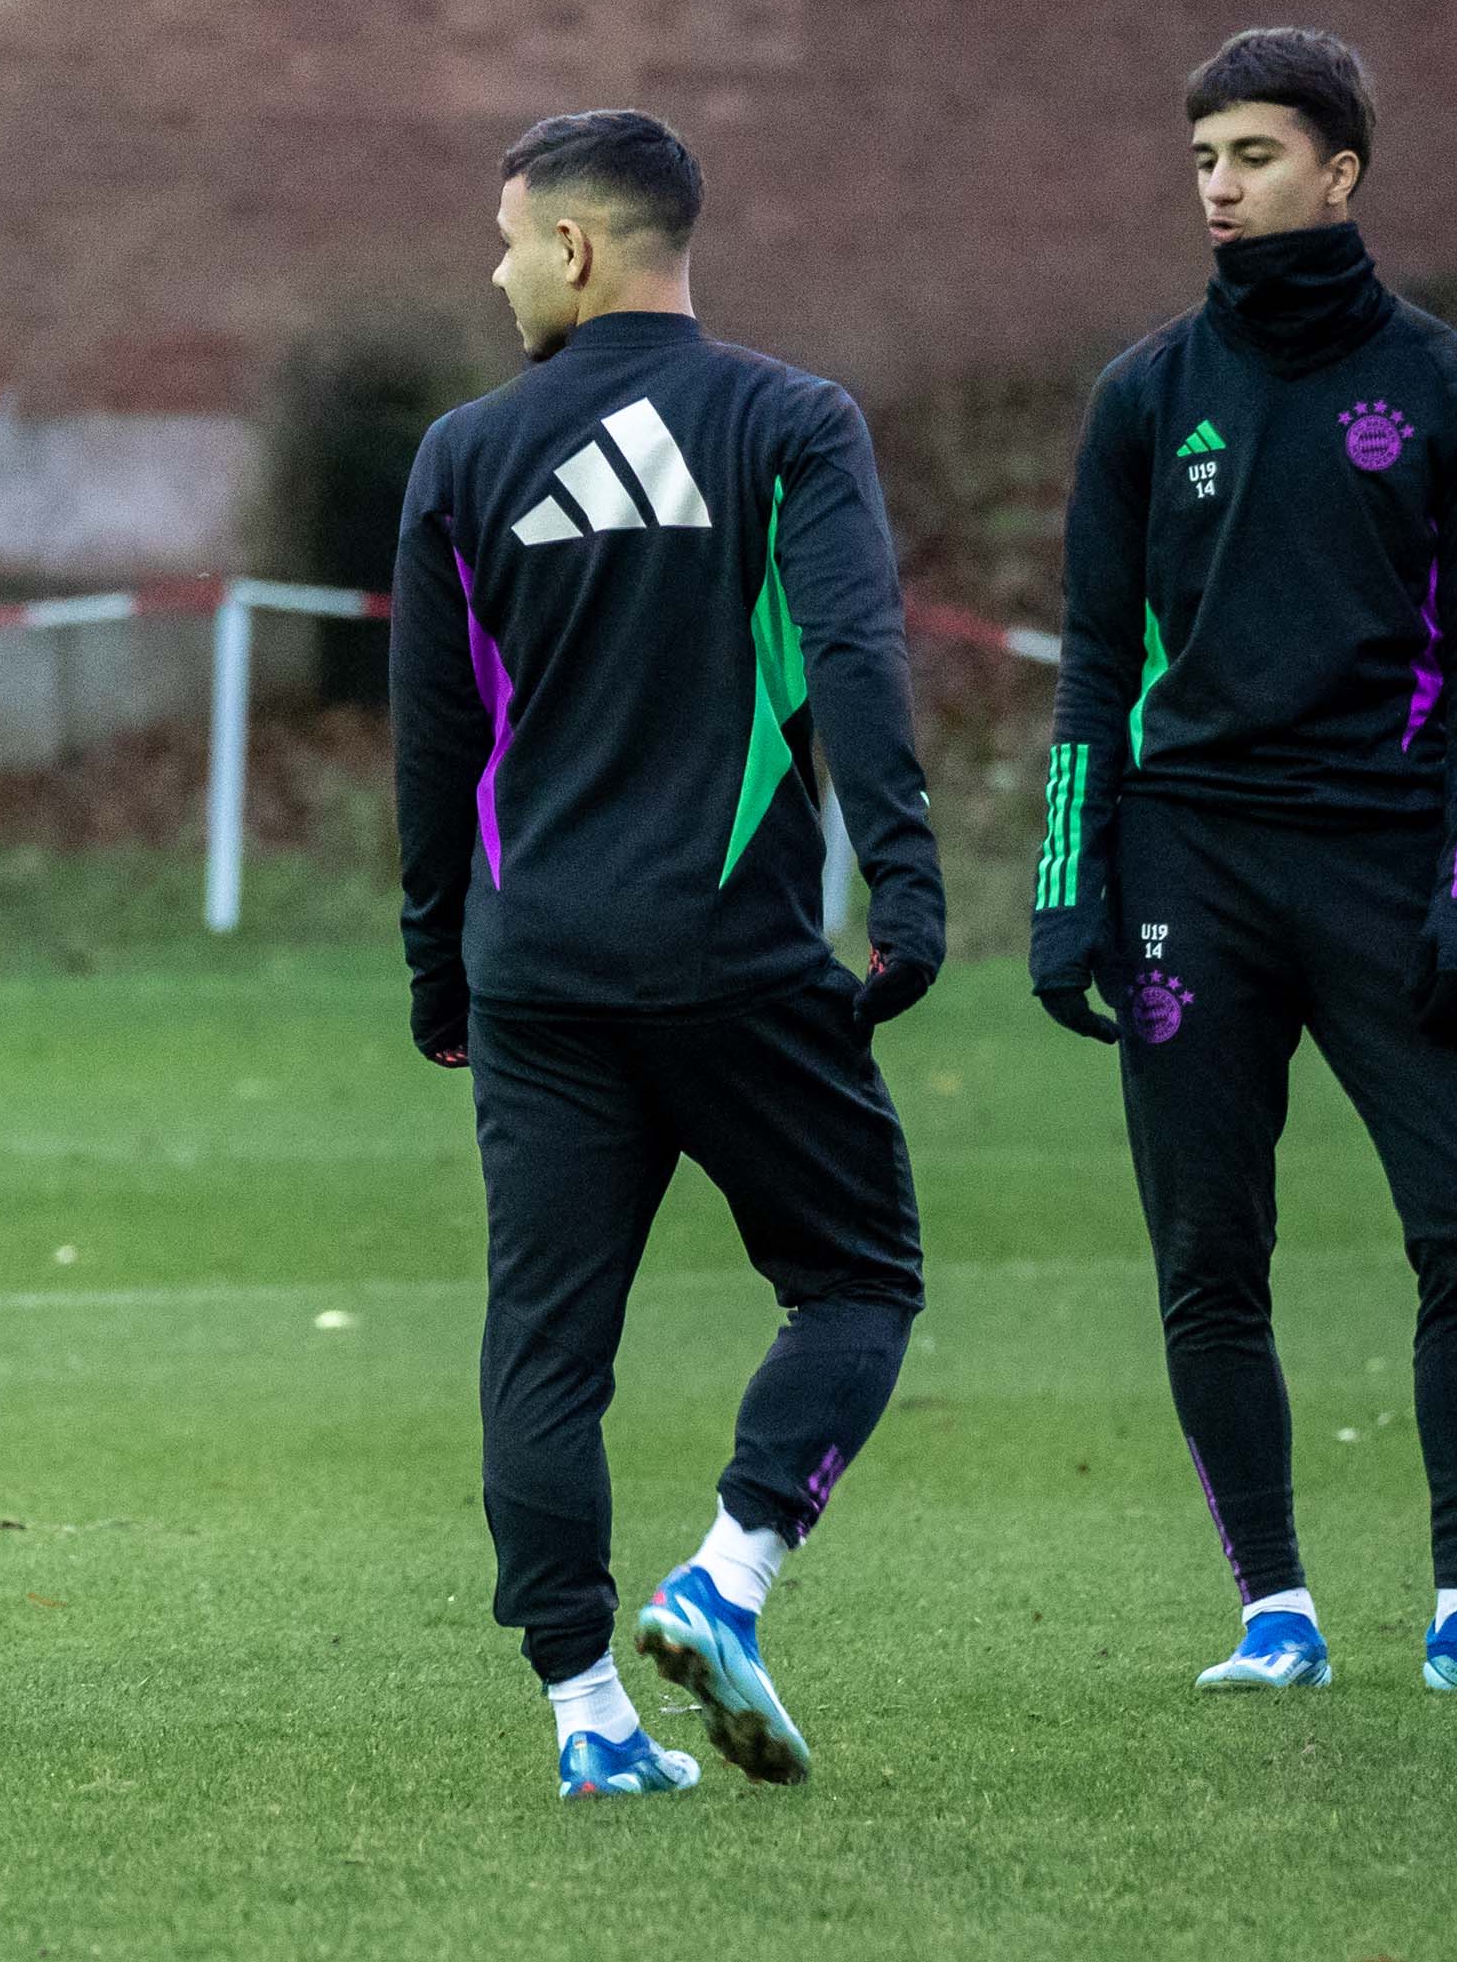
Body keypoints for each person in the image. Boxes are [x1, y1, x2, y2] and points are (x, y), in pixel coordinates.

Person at [392, 110, 945, 1797]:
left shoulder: (463, 457)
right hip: (734, 956)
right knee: (859, 1275)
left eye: (505, 240)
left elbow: (434, 747)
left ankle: (586, 1719)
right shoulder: (791, 422)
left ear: (574, 247)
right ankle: (728, 1571)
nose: (493, 273)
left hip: (536, 974)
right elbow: (853, 652)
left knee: (545, 1345)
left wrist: (439, 970)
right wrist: (907, 885)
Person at [1029, 29, 1457, 1695]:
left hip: (1388, 861)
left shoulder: (1442, 391)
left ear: (1339, 175)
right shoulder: (1144, 397)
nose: (1219, 184)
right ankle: (1274, 1609)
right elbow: (1088, 662)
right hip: (1188, 869)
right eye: (1202, 156)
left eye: (1254, 154)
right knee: (1210, 1257)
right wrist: (1067, 886)